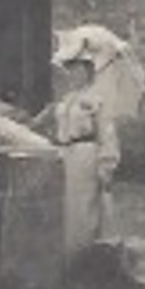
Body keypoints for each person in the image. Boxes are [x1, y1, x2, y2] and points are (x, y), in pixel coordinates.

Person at [33, 53, 121, 249]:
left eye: (79, 70)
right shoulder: (66, 100)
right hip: (65, 152)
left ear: (89, 73)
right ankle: (68, 252)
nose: (74, 75)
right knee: (66, 205)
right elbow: (55, 126)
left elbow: (106, 132)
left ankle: (85, 251)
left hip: (85, 152)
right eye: (71, 70)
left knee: (84, 204)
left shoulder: (97, 99)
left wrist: (106, 164)